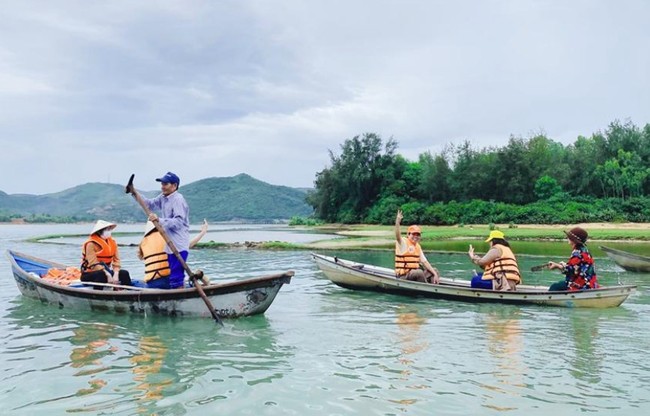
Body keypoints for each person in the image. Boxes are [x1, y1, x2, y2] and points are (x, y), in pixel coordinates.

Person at [134, 172, 190, 289]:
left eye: (165, 184)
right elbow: (149, 204)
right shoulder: (163, 198)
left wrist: (159, 220)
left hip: (178, 245)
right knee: (173, 276)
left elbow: (179, 222)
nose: (162, 186)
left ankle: (179, 298)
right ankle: (176, 296)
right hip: (170, 245)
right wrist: (134, 193)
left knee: (176, 277)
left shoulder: (178, 199)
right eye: (162, 183)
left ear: (174, 186)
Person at [137, 219, 209, 287]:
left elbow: (140, 257)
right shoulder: (167, 236)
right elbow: (187, 246)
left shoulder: (143, 242)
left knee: (134, 282)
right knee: (196, 283)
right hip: (169, 281)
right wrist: (202, 232)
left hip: (151, 283)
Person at [80, 220, 132, 288]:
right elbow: (93, 264)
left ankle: (126, 292)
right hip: (89, 273)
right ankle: (97, 295)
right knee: (101, 274)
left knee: (124, 273)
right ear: (99, 231)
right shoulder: (91, 244)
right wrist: (107, 274)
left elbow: (117, 260)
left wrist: (116, 273)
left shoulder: (112, 242)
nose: (109, 231)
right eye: (107, 229)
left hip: (106, 271)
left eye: (110, 229)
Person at [394, 209, 440, 284]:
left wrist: (434, 273)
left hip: (414, 274)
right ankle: (427, 289)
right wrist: (398, 221)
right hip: (403, 276)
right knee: (418, 273)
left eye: (418, 234)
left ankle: (435, 287)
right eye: (413, 234)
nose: (416, 236)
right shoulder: (403, 243)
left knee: (434, 270)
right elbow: (397, 236)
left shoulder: (417, 246)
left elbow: (425, 262)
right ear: (408, 234)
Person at [547, 227, 599, 291]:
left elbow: (571, 271)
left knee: (555, 286)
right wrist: (564, 265)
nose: (567, 238)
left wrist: (557, 266)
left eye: (569, 237)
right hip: (590, 284)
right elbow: (576, 267)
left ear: (574, 240)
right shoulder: (584, 250)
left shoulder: (577, 253)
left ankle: (549, 300)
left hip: (581, 285)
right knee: (560, 284)